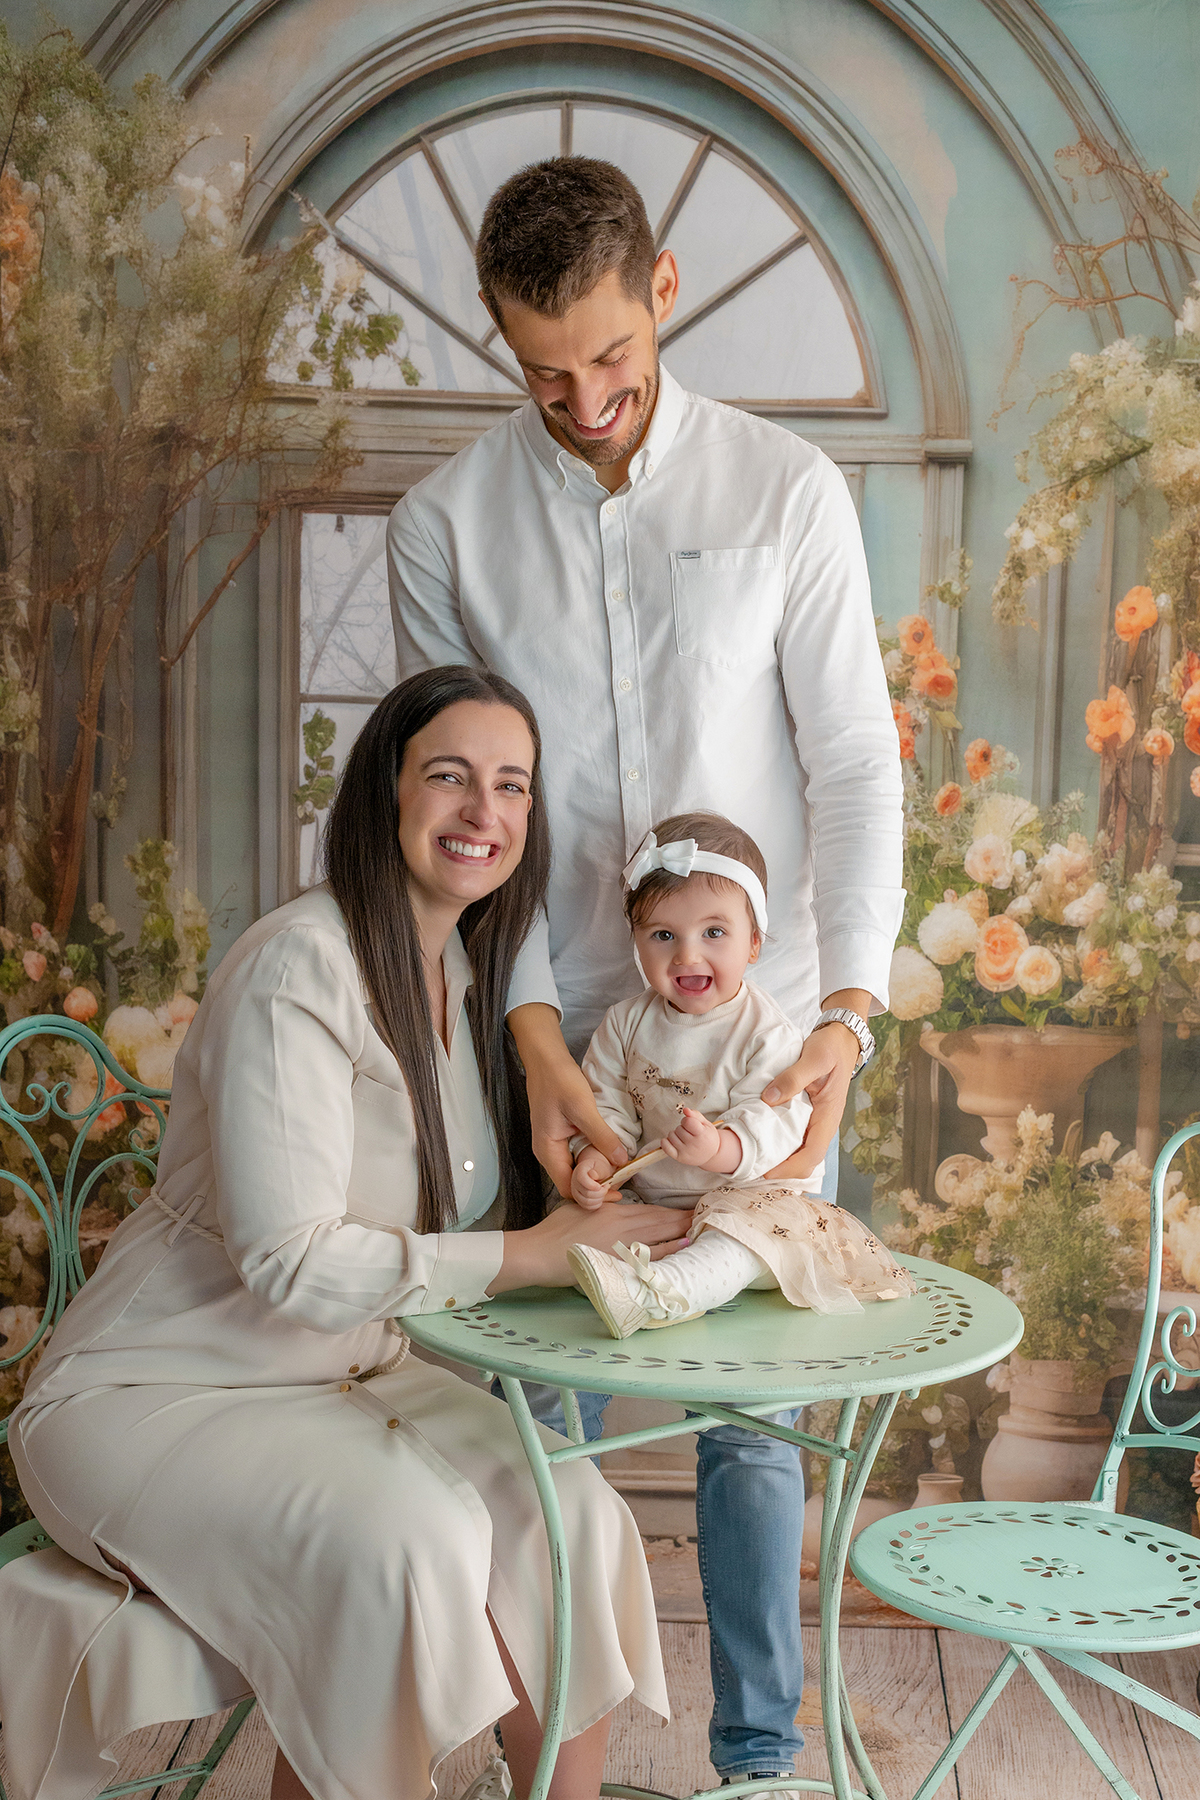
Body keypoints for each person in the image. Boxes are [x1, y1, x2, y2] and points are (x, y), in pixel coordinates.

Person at [388, 156, 904, 1788]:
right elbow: (466, 822)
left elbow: (853, 767)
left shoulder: (787, 492)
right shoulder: (443, 527)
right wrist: (531, 1043)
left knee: (753, 1415)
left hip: (766, 1046)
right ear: (500, 337)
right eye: (544, 369)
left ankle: (759, 1754)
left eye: (612, 356)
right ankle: (553, 1748)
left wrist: (846, 1019)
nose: (587, 398)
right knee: (543, 1398)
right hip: (552, 1040)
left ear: (663, 290)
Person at [3, 667, 684, 1800]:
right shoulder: (299, 965)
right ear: (385, 791)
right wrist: (531, 1253)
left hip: (345, 1379)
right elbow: (292, 1258)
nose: (485, 812)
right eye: (451, 778)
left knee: (569, 1513)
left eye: (511, 786)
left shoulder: (460, 975)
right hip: (156, 1394)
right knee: (403, 1547)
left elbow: (435, 1216)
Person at [566, 814, 915, 1339]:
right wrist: (595, 1158)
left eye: (714, 932)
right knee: (578, 1224)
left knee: (741, 1243)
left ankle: (655, 1293)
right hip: (653, 1198)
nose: (687, 954)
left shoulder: (766, 1031)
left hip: (748, 1194)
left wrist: (718, 1149)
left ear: (753, 943)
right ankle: (625, 1281)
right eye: (663, 934)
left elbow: (772, 1124)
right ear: (636, 942)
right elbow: (606, 1103)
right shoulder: (624, 1023)